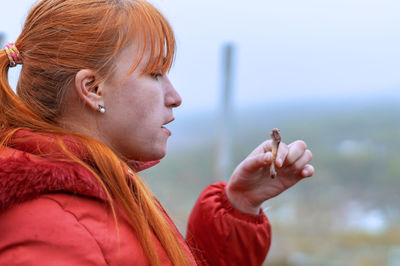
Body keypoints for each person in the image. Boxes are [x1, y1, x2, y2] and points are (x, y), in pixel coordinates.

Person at [0, 0, 314, 265]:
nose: (175, 96)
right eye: (155, 74)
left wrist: (241, 204)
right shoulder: (49, 227)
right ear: (93, 89)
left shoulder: (95, 191)